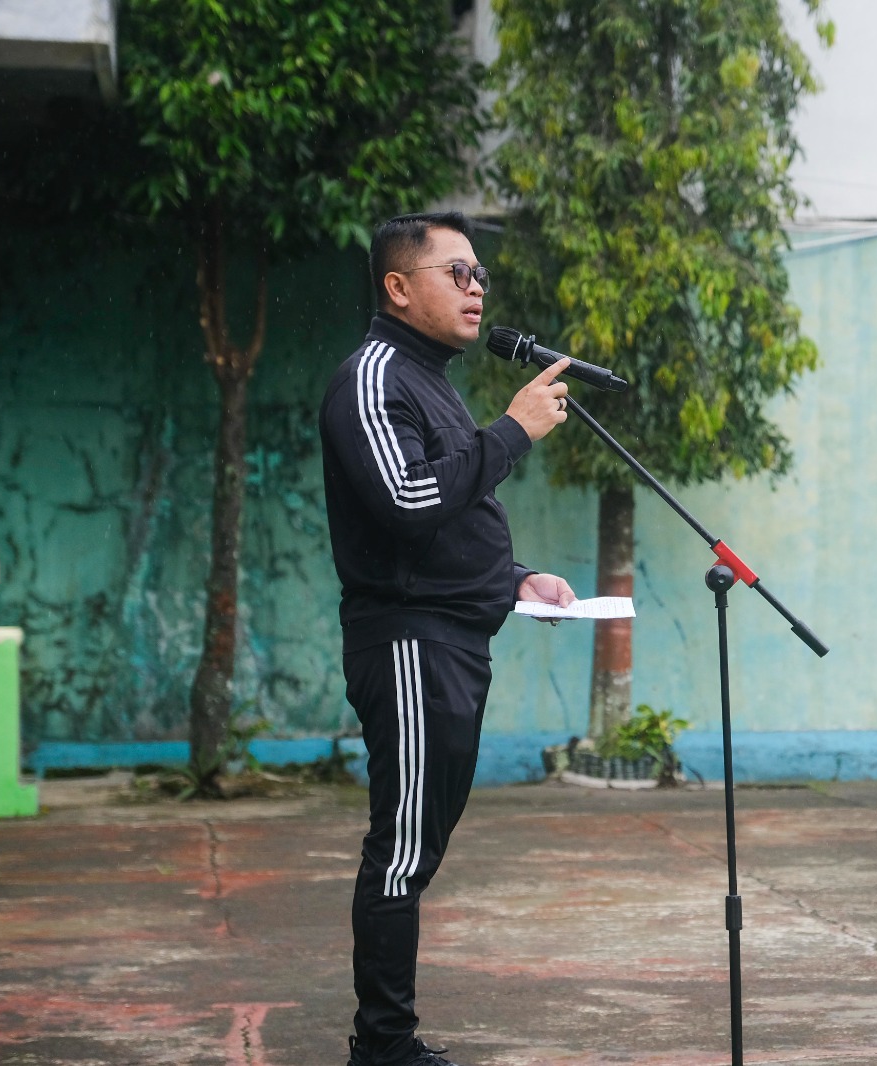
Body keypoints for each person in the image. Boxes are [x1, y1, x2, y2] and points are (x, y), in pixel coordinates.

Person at [320, 212, 578, 1066]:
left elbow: (439, 522)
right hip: (408, 644)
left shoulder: (428, 379)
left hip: (452, 640)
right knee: (400, 853)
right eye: (456, 273)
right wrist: (512, 431)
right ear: (398, 287)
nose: (478, 288)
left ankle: (386, 1039)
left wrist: (512, 579)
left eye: (480, 276)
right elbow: (405, 502)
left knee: (417, 849)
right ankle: (384, 1047)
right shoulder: (372, 376)